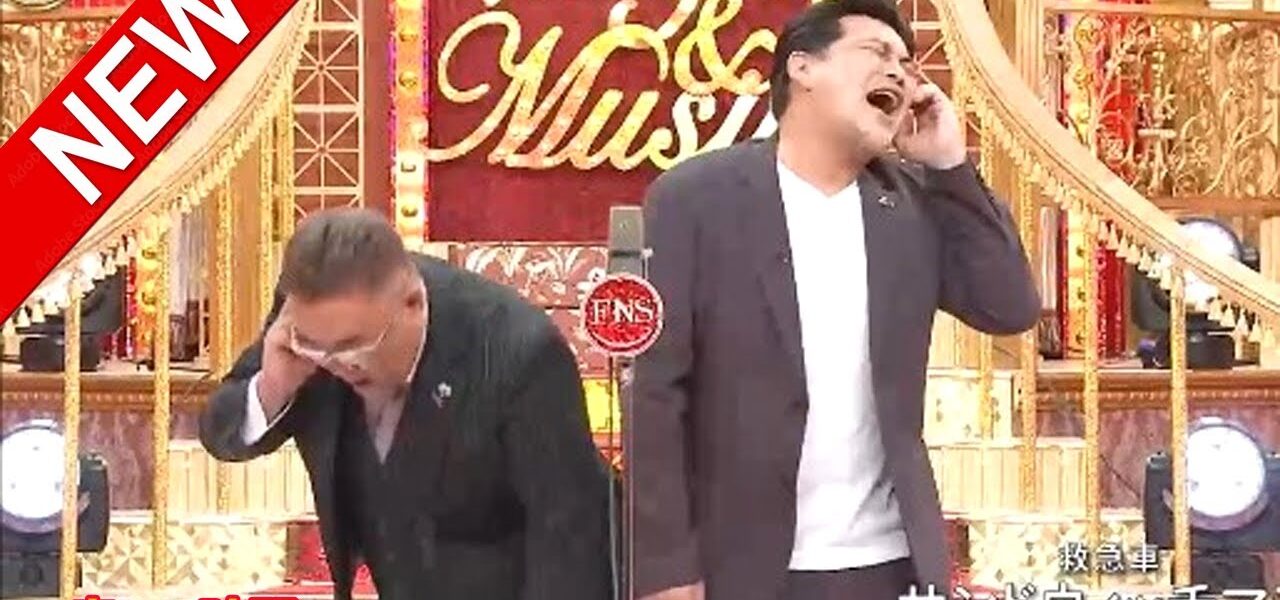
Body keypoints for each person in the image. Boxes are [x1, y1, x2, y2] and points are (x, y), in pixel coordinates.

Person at [627, 1, 1040, 600]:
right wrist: (666, 568)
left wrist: (950, 164)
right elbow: (656, 392)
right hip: (741, 564)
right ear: (803, 68)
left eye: (907, 63)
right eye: (876, 52)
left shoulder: (912, 204)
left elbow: (1008, 307)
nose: (899, 72)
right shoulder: (694, 198)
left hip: (888, 560)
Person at [198, 208, 614, 600]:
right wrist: (274, 385)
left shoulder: (516, 349)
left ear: (413, 303)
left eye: (354, 346)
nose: (337, 364)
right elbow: (221, 434)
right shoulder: (307, 324)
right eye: (318, 348)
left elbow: (569, 530)